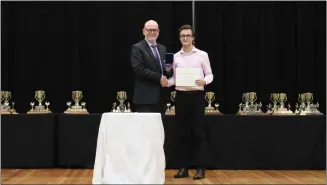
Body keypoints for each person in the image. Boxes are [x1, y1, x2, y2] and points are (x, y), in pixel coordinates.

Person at [164, 24, 213, 180]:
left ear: (193, 37)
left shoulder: (202, 55)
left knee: (199, 133)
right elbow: (173, 78)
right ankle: (183, 168)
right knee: (182, 134)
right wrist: (166, 82)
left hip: (197, 97)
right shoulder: (174, 57)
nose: (185, 38)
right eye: (183, 36)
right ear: (180, 38)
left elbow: (210, 74)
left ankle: (200, 169)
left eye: (188, 35)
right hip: (181, 97)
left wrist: (204, 81)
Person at [131, 20, 173, 113]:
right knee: (145, 127)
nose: (152, 32)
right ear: (143, 31)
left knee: (159, 127)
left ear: (158, 31)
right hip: (145, 98)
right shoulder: (137, 48)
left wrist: (168, 70)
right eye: (149, 30)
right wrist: (160, 77)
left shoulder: (162, 48)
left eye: (155, 30)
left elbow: (164, 71)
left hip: (161, 97)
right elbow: (138, 69)